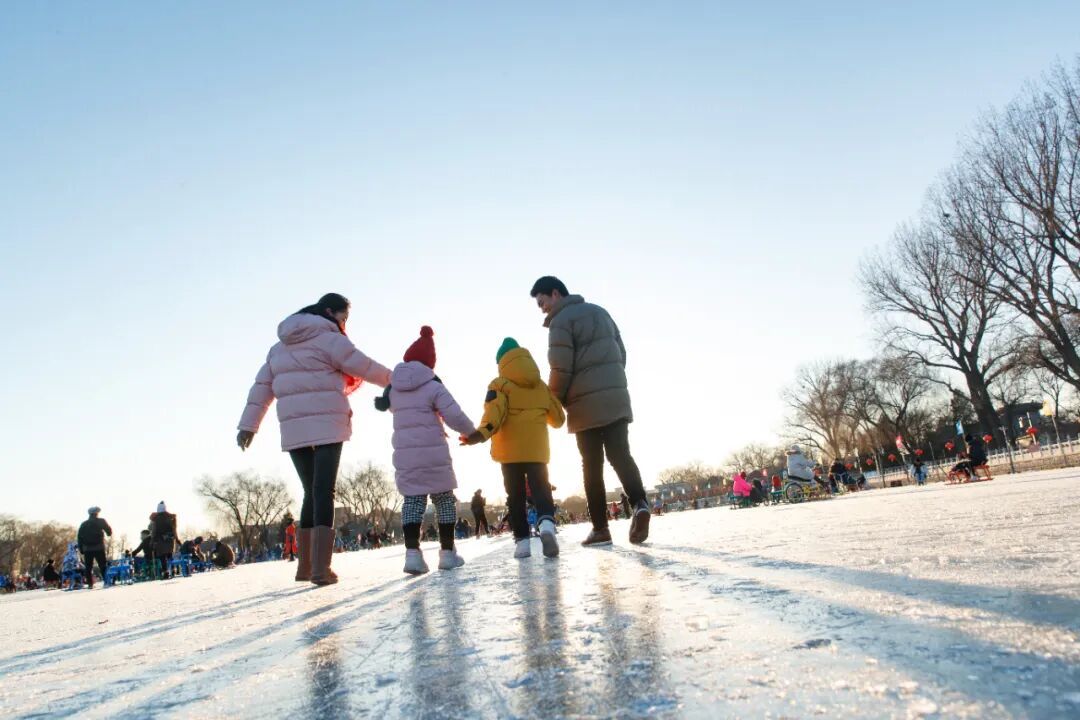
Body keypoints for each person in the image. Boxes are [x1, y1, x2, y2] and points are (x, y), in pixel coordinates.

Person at [237, 293, 392, 586]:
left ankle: (305, 568)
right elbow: (364, 366)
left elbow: (261, 388)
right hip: (327, 422)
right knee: (324, 490)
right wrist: (397, 379)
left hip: (294, 427)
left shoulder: (278, 348)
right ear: (329, 312)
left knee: (311, 490)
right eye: (343, 317)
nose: (345, 324)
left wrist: (248, 427)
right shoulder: (331, 338)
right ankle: (321, 569)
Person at [531, 276, 650, 546]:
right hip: (616, 394)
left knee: (591, 466)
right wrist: (612, 382)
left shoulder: (560, 322)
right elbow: (621, 353)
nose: (542, 309)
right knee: (621, 454)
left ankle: (600, 528)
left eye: (542, 302)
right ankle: (640, 503)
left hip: (584, 404)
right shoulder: (600, 311)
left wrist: (553, 404)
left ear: (555, 293)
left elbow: (561, 368)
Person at [375, 326, 476, 575]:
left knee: (412, 501)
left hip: (406, 456)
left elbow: (389, 408)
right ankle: (448, 553)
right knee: (444, 500)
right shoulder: (432, 384)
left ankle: (412, 555)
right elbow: (454, 414)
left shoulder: (394, 388)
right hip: (434, 455)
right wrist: (471, 433)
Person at [461, 337, 565, 559]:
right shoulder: (540, 385)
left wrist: (479, 435)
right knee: (541, 488)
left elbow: (493, 415)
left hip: (509, 453)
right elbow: (558, 419)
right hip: (537, 450)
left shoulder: (499, 385)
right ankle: (546, 523)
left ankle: (522, 543)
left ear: (501, 362)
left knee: (515, 495)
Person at [77, 506, 112, 589]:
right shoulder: (101, 521)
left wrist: (81, 549)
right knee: (102, 565)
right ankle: (106, 581)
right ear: (97, 513)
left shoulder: (84, 524)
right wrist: (108, 533)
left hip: (87, 549)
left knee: (88, 567)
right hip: (99, 547)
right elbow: (109, 531)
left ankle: (90, 584)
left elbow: (79, 537)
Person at [151, 502, 177, 579]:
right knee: (169, 555)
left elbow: (154, 530)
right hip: (169, 539)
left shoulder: (155, 519)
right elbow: (174, 528)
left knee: (162, 557)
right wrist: (175, 537)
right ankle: (172, 569)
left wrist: (152, 540)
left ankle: (166, 572)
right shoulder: (170, 517)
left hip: (160, 540)